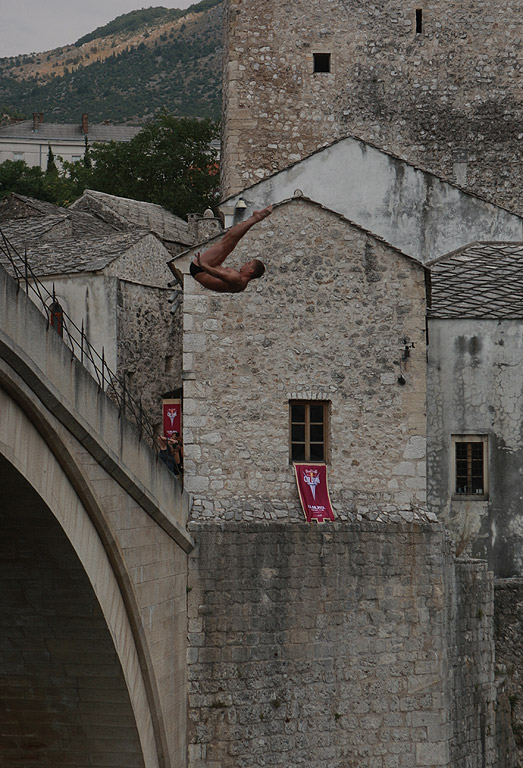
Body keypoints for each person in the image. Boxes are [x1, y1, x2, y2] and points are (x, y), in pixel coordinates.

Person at [189, 205, 273, 293]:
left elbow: (217, 274)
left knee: (227, 243)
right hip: (205, 269)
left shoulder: (237, 280)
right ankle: (254, 218)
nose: (245, 263)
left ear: (251, 270)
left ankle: (255, 218)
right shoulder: (241, 283)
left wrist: (203, 265)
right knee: (229, 244)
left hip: (200, 269)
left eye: (249, 263)